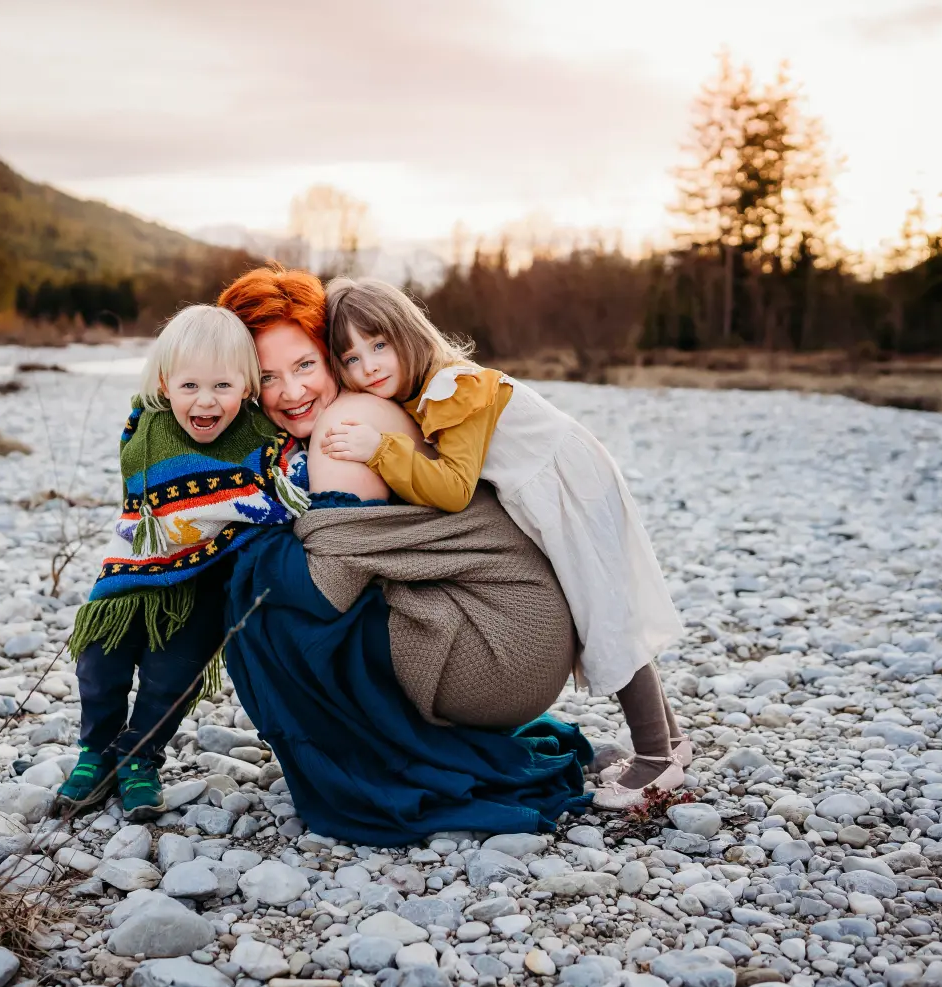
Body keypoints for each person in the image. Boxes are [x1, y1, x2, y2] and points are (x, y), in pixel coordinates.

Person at [214, 265, 592, 844]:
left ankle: (386, 770)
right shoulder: (366, 407)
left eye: (305, 365)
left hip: (502, 649)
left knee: (264, 607)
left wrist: (227, 545)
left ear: (328, 355)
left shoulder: (345, 426)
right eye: (267, 377)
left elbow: (327, 586)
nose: (291, 392)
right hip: (519, 632)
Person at [318, 276, 689, 809]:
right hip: (555, 478)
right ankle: (672, 744)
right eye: (350, 358)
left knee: (601, 611)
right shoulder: (430, 389)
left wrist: (381, 449)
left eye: (379, 345)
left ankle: (654, 760)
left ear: (408, 332)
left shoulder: (452, 387)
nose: (369, 366)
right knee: (605, 606)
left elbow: (451, 488)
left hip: (566, 484)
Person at [56, 305, 307, 820]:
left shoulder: (262, 443)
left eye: (222, 386)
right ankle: (95, 751)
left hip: (203, 582)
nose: (206, 401)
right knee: (99, 665)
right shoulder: (148, 430)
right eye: (190, 386)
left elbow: (285, 488)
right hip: (132, 575)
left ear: (247, 388)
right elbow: (142, 488)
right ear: (167, 383)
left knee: (173, 678)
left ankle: (139, 757)